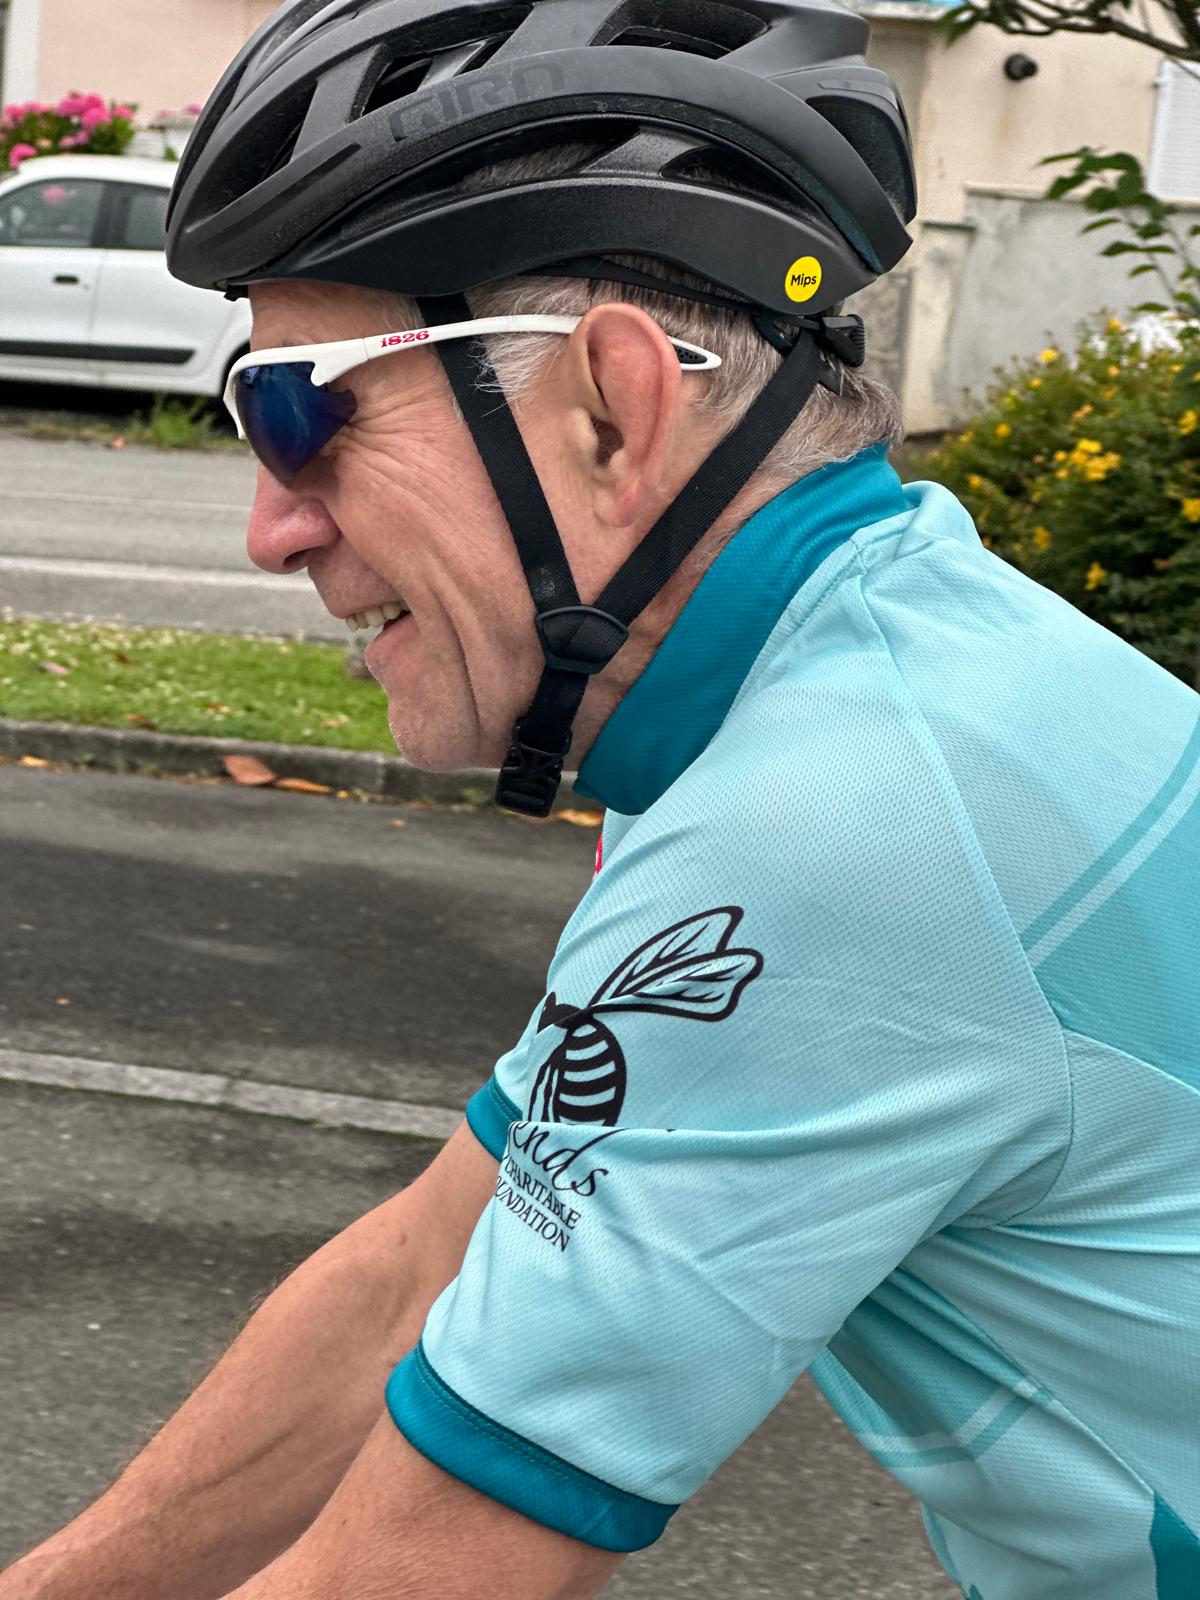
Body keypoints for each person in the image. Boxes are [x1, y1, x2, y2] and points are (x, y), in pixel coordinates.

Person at [5, 0, 1199, 1594]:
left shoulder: (837, 830)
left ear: (611, 411)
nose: (271, 530)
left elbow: (430, 1561)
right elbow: (420, 1278)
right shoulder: (841, 672)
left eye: (299, 412)